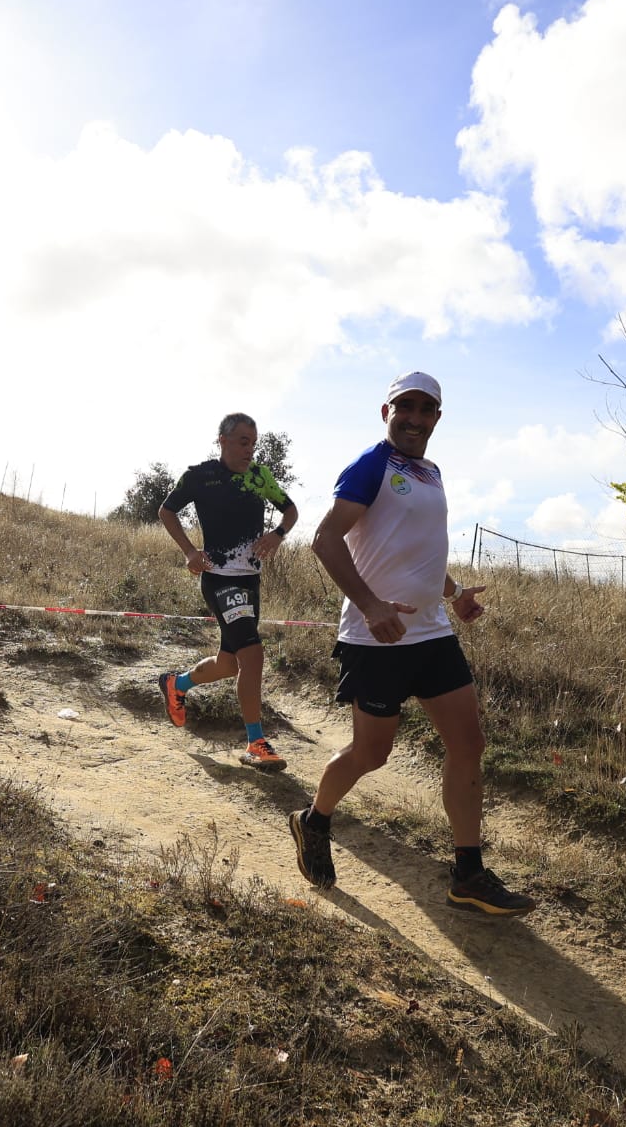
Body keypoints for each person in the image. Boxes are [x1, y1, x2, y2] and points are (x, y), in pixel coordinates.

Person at [293, 372, 535, 916]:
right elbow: (325, 539)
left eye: (426, 409)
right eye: (406, 406)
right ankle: (314, 819)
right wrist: (371, 605)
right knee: (372, 754)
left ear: (437, 419)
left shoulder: (430, 473)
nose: (415, 418)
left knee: (468, 744)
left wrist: (452, 595)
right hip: (376, 639)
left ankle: (468, 874)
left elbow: (420, 551)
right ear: (387, 411)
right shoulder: (370, 464)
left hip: (431, 634)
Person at [154, 414, 300, 769]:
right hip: (219, 578)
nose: (250, 449)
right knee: (253, 655)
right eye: (243, 441)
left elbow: (291, 510)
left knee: (230, 662)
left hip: (250, 580)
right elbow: (166, 511)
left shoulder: (259, 477)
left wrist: (277, 535)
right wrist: (190, 551)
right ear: (222, 440)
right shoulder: (201, 476)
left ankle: (178, 683)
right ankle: (256, 742)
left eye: (253, 442)